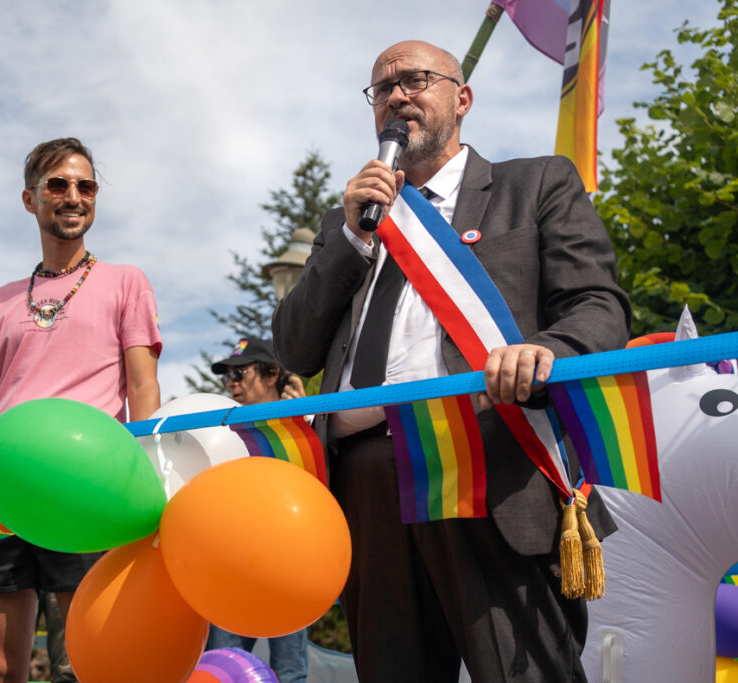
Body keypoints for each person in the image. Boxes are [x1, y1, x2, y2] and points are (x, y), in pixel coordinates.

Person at [272, 40, 631, 682]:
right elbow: (294, 349)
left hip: (491, 461)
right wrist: (352, 238)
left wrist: (546, 353)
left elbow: (598, 306)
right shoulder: (351, 220)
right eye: (381, 89)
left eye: (415, 80)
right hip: (368, 483)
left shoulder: (535, 184)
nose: (396, 96)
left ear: (461, 99)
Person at [0, 137, 162, 683]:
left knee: (88, 664)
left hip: (88, 486)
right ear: (30, 200)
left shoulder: (127, 281)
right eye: (58, 184)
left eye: (86, 186)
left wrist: (149, 487)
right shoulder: (0, 300)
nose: (73, 196)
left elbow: (144, 391)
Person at [207, 337, 308, 683]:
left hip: (288, 567)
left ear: (271, 375)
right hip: (232, 566)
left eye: (240, 373)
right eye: (228, 376)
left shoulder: (304, 423)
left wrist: (306, 416)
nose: (232, 383)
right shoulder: (222, 430)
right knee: (221, 667)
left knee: (290, 672)